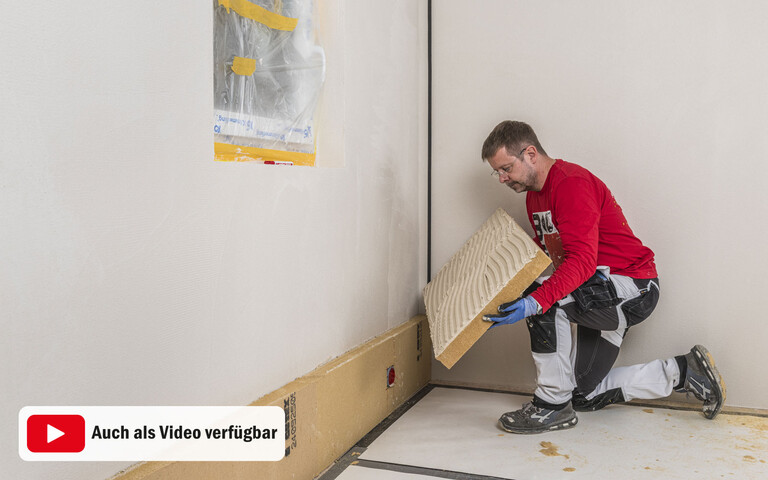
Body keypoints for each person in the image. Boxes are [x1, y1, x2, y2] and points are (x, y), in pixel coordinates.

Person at [480, 120, 725, 434]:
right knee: (582, 394)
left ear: (530, 153)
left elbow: (581, 261)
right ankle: (683, 371)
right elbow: (550, 247)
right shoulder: (534, 197)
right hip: (597, 290)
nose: (502, 178)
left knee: (543, 300)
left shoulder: (570, 183)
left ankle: (551, 405)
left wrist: (534, 302)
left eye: (506, 168)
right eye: (497, 172)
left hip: (633, 287)